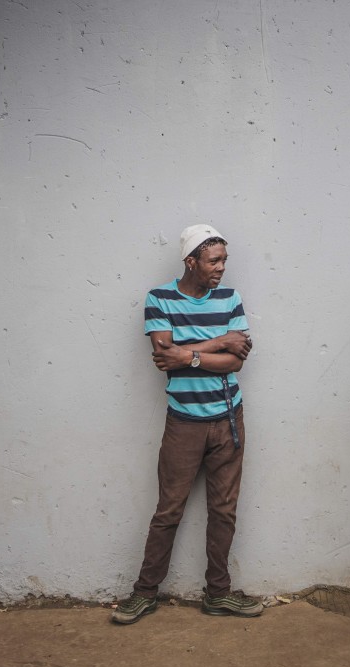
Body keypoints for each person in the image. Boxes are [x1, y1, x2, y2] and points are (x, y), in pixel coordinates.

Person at [111, 224, 262, 624]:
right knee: (169, 511)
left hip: (229, 417)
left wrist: (189, 355)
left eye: (225, 260)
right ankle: (144, 593)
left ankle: (219, 594)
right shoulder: (159, 298)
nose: (222, 268)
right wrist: (216, 343)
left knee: (224, 511)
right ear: (190, 261)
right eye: (214, 261)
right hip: (184, 423)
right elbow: (163, 356)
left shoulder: (230, 297)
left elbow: (236, 361)